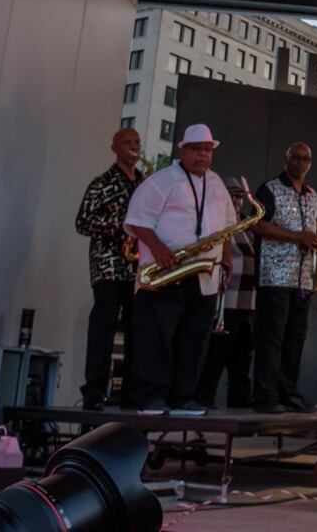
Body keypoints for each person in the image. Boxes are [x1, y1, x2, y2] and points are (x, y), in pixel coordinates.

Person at [123, 124, 235, 417]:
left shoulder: (218, 184)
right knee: (156, 338)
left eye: (208, 150)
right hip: (166, 273)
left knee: (194, 339)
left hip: (203, 277)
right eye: (197, 149)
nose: (203, 155)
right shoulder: (162, 180)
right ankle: (150, 398)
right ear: (182, 150)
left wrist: (226, 259)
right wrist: (158, 248)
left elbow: (227, 227)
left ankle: (183, 397)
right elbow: (137, 220)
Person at [74, 127, 145, 410]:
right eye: (127, 143)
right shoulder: (102, 183)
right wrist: (120, 226)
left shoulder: (144, 183)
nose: (133, 147)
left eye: (137, 142)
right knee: (103, 328)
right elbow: (83, 222)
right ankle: (93, 392)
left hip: (137, 267)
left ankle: (130, 392)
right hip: (107, 265)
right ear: (114, 147)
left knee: (137, 330)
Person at [251, 142, 317, 414]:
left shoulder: (313, 195)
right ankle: (265, 396)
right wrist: (297, 237)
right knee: (271, 339)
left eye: (306, 158)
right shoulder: (269, 189)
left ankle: (288, 392)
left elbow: (313, 228)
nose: (300, 162)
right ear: (286, 159)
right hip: (274, 276)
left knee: (295, 338)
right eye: (296, 157)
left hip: (302, 278)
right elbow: (256, 224)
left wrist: (313, 241)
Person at [194, 177, 257, 410]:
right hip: (227, 301)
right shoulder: (220, 227)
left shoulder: (248, 229)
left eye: (239, 196)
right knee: (217, 355)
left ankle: (240, 402)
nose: (236, 201)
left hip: (248, 302)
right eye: (232, 196)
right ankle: (204, 397)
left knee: (242, 359)